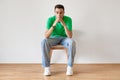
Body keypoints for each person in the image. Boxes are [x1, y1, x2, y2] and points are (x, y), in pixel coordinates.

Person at [41, 4, 76, 76]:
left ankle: (70, 67)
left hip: (65, 39)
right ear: (54, 12)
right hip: (53, 38)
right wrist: (54, 23)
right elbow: (46, 36)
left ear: (64, 13)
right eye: (57, 12)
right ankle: (47, 68)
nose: (59, 15)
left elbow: (70, 36)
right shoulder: (50, 19)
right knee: (44, 41)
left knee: (72, 42)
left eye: (61, 13)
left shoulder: (68, 19)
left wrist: (64, 24)